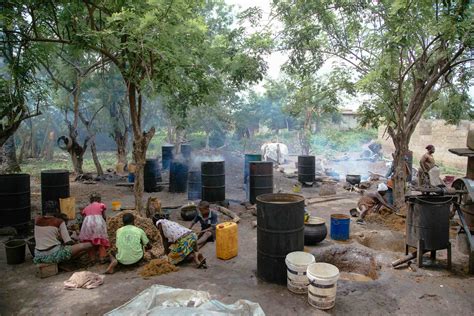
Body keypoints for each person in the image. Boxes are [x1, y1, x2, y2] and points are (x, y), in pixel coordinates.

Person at [79, 193, 110, 263]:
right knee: (101, 241)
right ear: (99, 199)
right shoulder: (101, 205)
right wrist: (105, 224)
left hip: (87, 224)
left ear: (90, 200)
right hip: (98, 223)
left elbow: (84, 218)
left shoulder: (86, 208)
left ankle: (92, 259)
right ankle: (102, 258)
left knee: (90, 242)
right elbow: (104, 216)